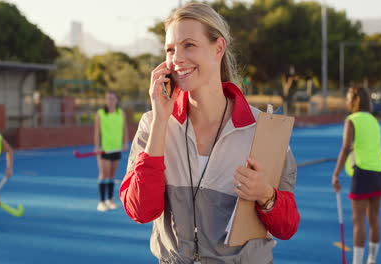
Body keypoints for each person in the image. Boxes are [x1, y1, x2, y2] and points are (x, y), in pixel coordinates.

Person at [120, 3, 299, 263]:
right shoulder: (153, 124)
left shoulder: (262, 129)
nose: (177, 58)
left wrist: (266, 195)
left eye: (189, 45)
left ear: (218, 48)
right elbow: (141, 210)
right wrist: (161, 119)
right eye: (170, 49)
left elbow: (288, 226)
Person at [332, 86, 381, 264]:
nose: (347, 101)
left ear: (355, 100)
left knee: (358, 222)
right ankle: (371, 259)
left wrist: (336, 174)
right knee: (374, 219)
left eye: (348, 98)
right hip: (379, 172)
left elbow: (346, 148)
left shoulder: (352, 120)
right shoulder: (373, 120)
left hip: (363, 173)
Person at [94, 90, 129, 212]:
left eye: (112, 98)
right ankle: (102, 201)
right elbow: (97, 132)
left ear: (116, 100)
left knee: (112, 175)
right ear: (105, 100)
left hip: (116, 148)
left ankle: (110, 199)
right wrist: (97, 146)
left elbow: (125, 129)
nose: (110, 101)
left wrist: (125, 142)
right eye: (108, 98)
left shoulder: (121, 113)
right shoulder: (100, 114)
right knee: (104, 175)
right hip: (104, 149)